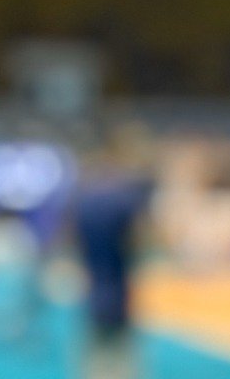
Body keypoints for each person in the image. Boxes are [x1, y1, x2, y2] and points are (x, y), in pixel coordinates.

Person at [73, 138, 154, 379]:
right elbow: (140, 237)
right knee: (122, 353)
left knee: (95, 350)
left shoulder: (83, 198)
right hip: (117, 286)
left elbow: (72, 238)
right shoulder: (124, 198)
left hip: (94, 285)